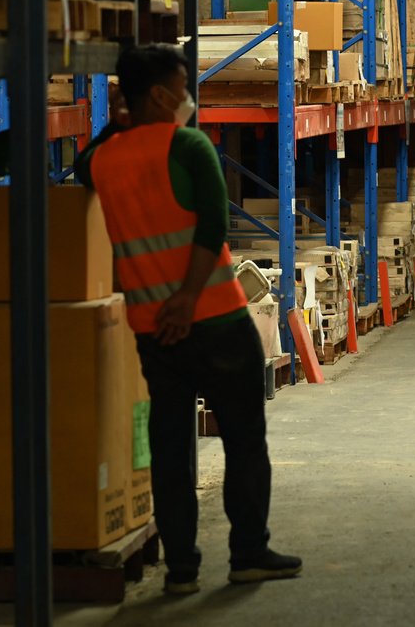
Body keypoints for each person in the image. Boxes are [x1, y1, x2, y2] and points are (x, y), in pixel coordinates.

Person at [79, 43, 301, 595]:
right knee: (244, 438)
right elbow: (211, 231)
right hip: (216, 319)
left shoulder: (103, 161)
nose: (188, 98)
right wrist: (187, 299)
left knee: (171, 447)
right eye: (182, 87)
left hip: (153, 329)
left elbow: (84, 166)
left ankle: (181, 570)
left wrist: (168, 308)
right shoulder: (190, 147)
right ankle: (248, 552)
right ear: (159, 94)